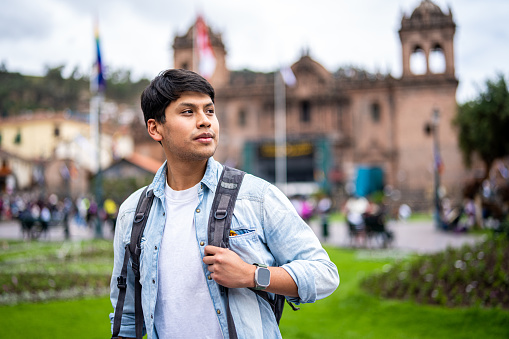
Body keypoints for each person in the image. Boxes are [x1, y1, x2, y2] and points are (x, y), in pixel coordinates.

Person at [109, 69, 339, 339]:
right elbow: (126, 318)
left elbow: (324, 273)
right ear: (154, 127)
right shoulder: (133, 213)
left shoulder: (257, 197)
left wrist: (252, 275)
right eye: (188, 112)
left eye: (209, 111)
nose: (205, 121)